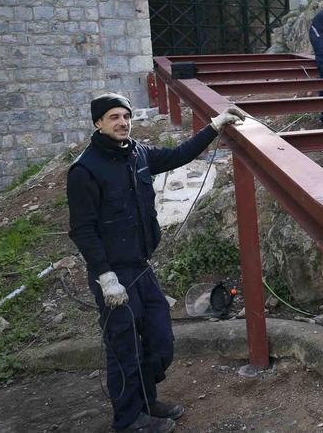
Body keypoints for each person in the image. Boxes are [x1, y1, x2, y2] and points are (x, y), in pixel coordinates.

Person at [67, 93, 246, 432]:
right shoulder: (85, 170)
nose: (122, 122)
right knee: (124, 347)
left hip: (140, 267)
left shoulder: (138, 154)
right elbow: (83, 230)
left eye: (125, 116)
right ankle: (128, 419)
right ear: (98, 124)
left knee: (159, 337)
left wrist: (215, 126)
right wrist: (105, 276)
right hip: (113, 274)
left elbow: (179, 155)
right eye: (113, 117)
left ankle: (147, 402)